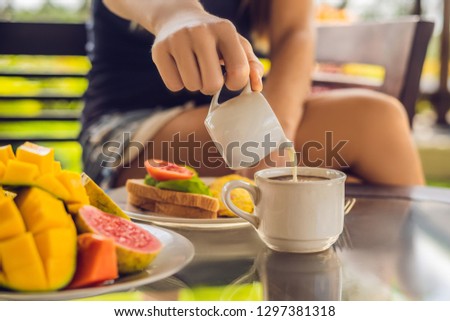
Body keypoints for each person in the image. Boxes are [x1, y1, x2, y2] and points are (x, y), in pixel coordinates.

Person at [80, 0, 425, 188]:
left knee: (376, 125)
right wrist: (175, 14)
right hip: (123, 139)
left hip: (223, 119)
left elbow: (295, 34)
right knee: (377, 124)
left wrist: (275, 133)